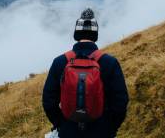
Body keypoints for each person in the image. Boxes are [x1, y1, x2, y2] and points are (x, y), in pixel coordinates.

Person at [42, 8, 129, 138]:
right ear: (96, 35)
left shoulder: (60, 62)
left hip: (68, 131)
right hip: (101, 131)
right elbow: (121, 102)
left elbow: (48, 101)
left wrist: (61, 124)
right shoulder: (110, 62)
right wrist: (110, 128)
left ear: (76, 34)